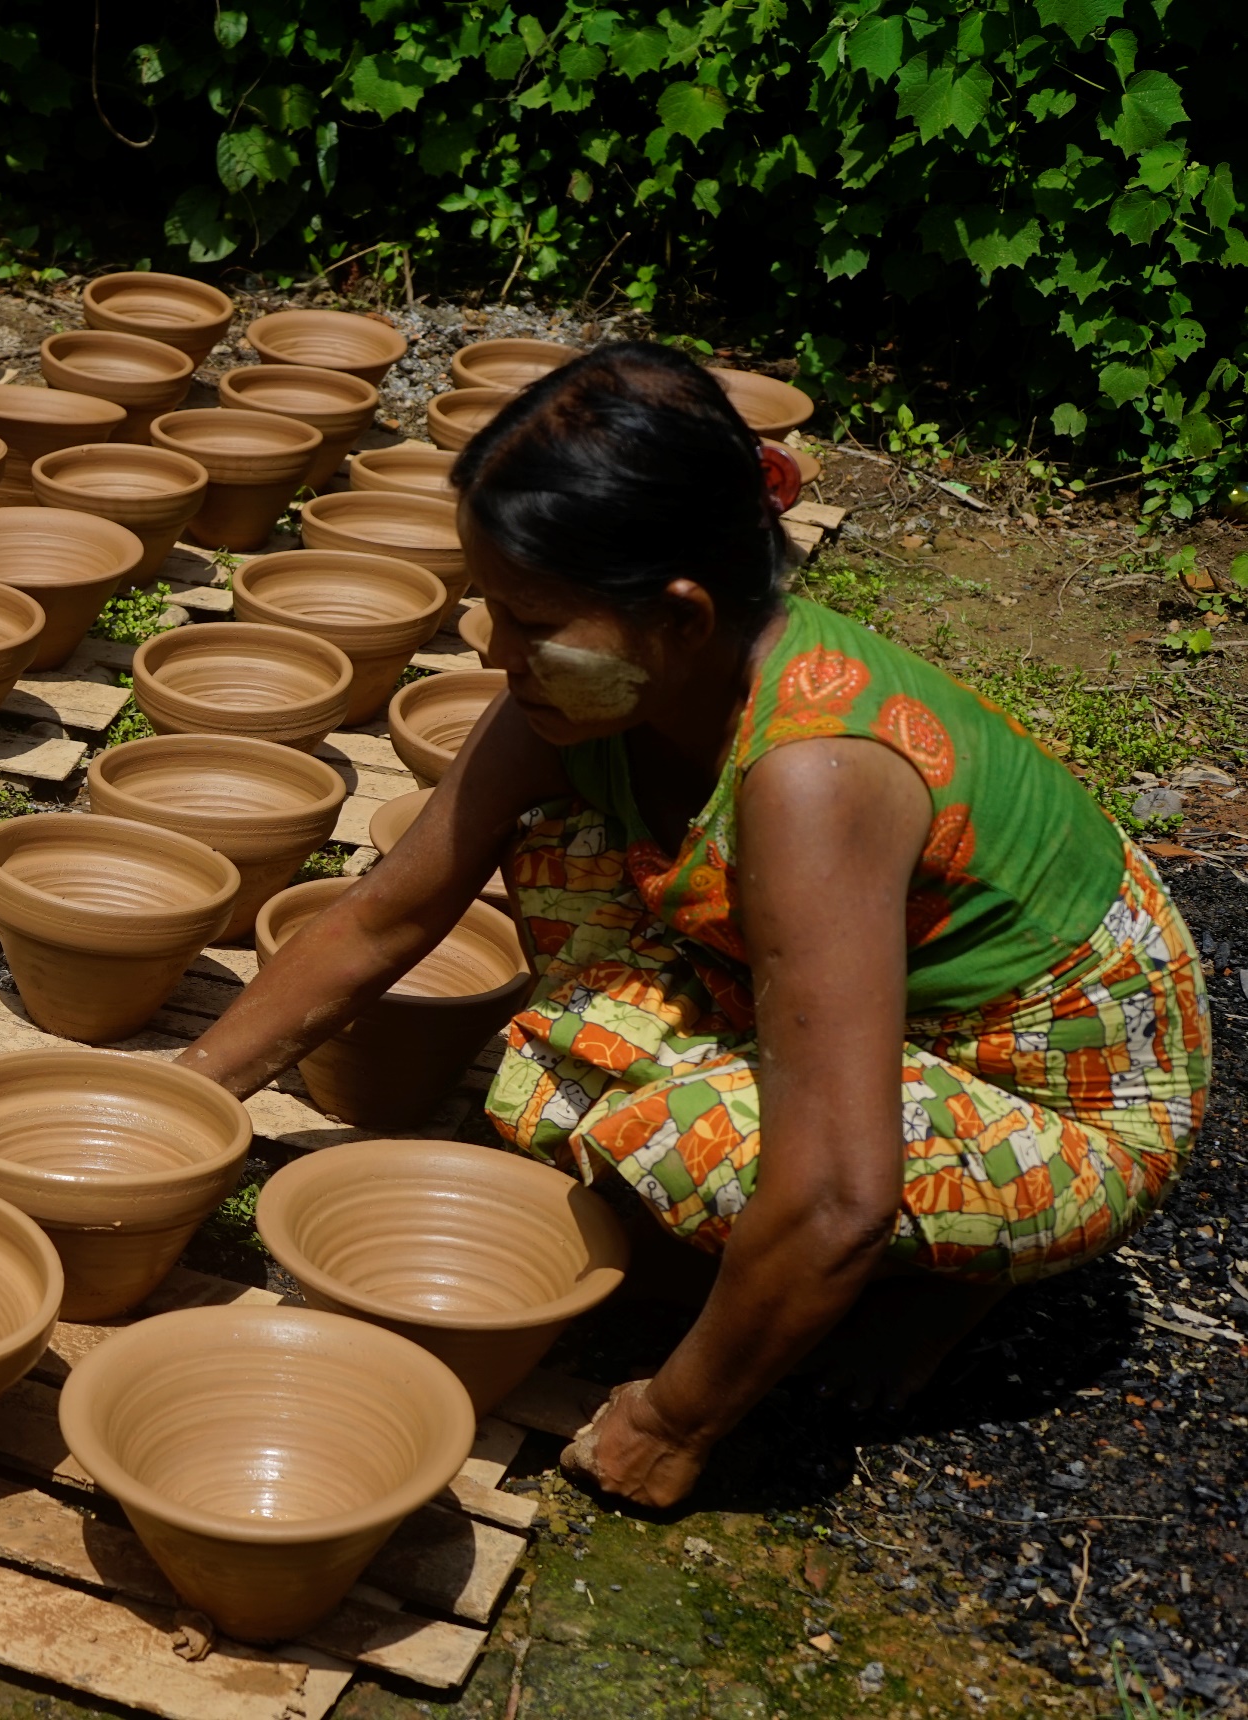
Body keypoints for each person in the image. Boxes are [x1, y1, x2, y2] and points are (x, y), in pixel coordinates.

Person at [177, 343, 1208, 1508]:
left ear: (677, 617)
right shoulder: (600, 693)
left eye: (523, 618)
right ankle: (796, 1275)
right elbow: (384, 916)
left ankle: (935, 1287)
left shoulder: (815, 774)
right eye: (485, 605)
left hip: (1063, 1092)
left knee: (708, 1150)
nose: (488, 647)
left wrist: (673, 1421)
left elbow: (836, 1195)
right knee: (553, 1068)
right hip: (897, 1009)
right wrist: (183, 1100)